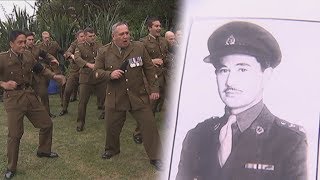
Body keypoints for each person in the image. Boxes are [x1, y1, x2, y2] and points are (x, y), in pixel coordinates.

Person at [176, 21, 307, 180]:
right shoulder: (198, 135)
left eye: (242, 69)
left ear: (266, 75)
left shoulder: (289, 142)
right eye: (224, 70)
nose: (230, 81)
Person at [94, 22, 163, 170]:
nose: (126, 36)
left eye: (127, 33)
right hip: (115, 96)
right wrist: (109, 74)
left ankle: (156, 157)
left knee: (149, 125)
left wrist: (154, 88)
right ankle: (112, 150)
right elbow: (96, 72)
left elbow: (150, 69)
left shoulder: (138, 47)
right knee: (111, 127)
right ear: (114, 36)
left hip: (138, 95)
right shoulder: (104, 51)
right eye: (121, 34)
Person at [0, 30, 66, 179]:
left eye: (25, 42)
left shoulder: (29, 55)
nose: (24, 45)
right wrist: (3, 84)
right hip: (13, 99)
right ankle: (11, 167)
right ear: (11, 44)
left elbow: (40, 69)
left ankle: (43, 150)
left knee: (47, 123)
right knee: (15, 134)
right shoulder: (2, 58)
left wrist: (55, 76)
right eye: (20, 42)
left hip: (29, 95)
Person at [135, 17, 169, 144]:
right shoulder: (142, 42)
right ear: (149, 28)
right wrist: (151, 61)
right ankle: (139, 132)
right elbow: (135, 61)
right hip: (151, 79)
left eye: (160, 26)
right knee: (149, 108)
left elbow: (166, 58)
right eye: (156, 26)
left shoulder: (164, 41)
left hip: (165, 78)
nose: (159, 28)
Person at [74, 27, 106, 131]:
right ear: (85, 36)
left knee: (106, 97)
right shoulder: (80, 46)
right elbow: (77, 59)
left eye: (93, 36)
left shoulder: (99, 45)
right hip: (86, 78)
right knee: (82, 102)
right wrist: (88, 64)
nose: (92, 38)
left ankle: (105, 114)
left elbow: (104, 55)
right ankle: (80, 123)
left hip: (98, 76)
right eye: (90, 36)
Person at [25, 31, 60, 118]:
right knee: (27, 98)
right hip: (25, 77)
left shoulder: (36, 48)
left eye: (32, 39)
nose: (31, 41)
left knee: (43, 94)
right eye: (29, 39)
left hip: (37, 76)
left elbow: (46, 55)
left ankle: (47, 114)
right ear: (25, 40)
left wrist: (53, 59)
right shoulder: (21, 49)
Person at [37, 31, 65, 117]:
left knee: (62, 82)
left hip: (55, 66)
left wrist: (65, 55)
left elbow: (60, 51)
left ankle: (64, 103)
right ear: (42, 38)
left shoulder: (55, 44)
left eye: (48, 37)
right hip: (45, 68)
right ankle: (46, 110)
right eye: (45, 38)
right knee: (43, 88)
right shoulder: (39, 46)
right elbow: (36, 57)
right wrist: (40, 58)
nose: (47, 39)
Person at [59, 30, 85, 116]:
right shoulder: (74, 44)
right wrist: (73, 56)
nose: (83, 38)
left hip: (86, 70)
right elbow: (67, 53)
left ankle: (102, 107)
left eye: (84, 36)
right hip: (75, 71)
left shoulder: (88, 44)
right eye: (81, 36)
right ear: (77, 38)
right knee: (67, 90)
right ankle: (64, 108)